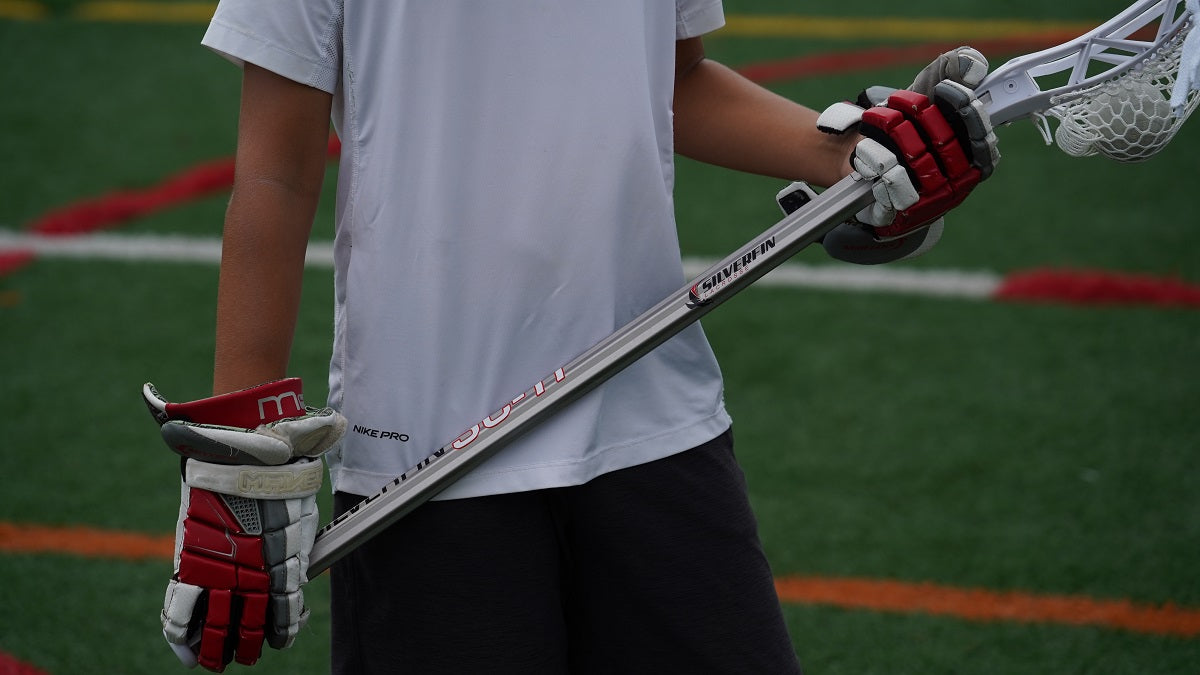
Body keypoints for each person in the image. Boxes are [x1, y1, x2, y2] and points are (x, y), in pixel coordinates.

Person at [144, 1, 999, 672]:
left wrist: (846, 154)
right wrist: (241, 447)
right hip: (428, 451)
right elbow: (276, 172)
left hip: (650, 413)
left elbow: (675, 79)